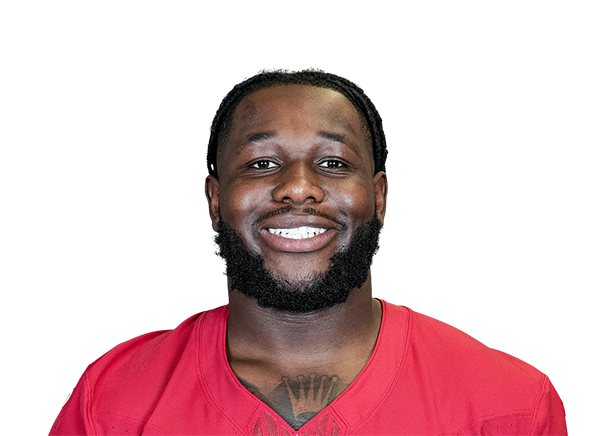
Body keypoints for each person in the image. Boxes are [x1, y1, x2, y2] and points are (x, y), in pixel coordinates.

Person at [49, 69, 568, 435]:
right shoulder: (113, 400)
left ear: (380, 196)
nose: (298, 188)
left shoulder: (509, 404)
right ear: (214, 199)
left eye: (335, 163)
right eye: (259, 164)